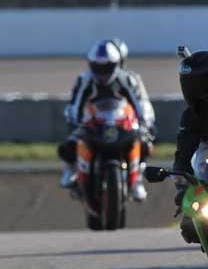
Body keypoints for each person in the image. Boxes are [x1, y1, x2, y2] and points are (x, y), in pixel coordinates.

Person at [58, 39, 155, 202]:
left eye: (106, 67)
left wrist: (144, 124)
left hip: (120, 122)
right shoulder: (85, 79)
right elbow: (75, 104)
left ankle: (137, 179)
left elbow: (138, 103)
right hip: (92, 123)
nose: (102, 71)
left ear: (116, 64)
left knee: (144, 143)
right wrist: (74, 122)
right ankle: (72, 169)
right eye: (98, 66)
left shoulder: (126, 79)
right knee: (68, 146)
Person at [173, 49, 208, 243]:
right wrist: (181, 183)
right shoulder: (192, 115)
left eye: (195, 84)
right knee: (189, 226)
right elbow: (184, 151)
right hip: (206, 171)